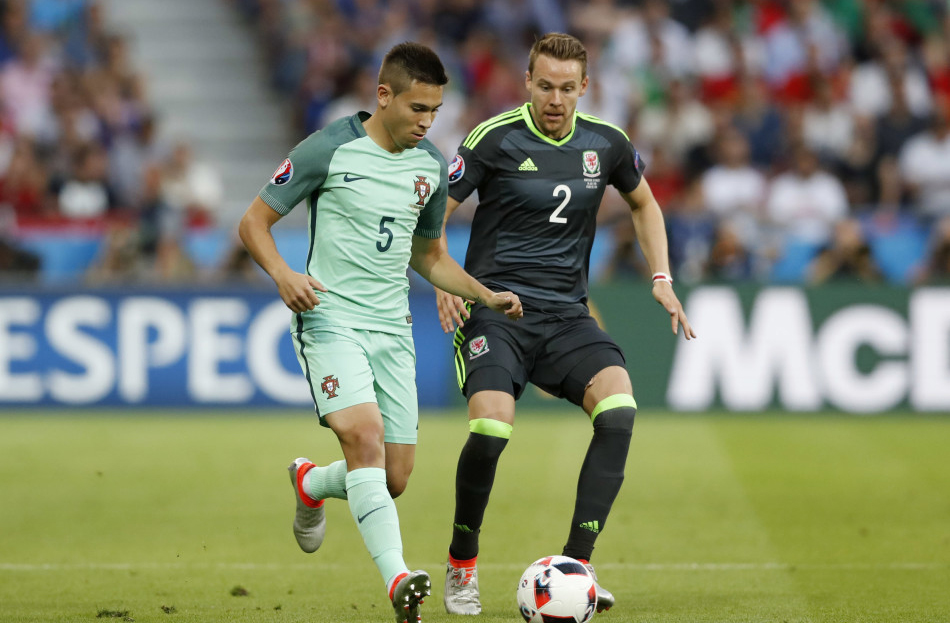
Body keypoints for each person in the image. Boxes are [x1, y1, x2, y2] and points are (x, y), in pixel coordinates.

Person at [238, 42, 523, 623]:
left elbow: (430, 254)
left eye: (435, 111)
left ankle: (312, 483)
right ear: (383, 95)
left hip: (393, 328)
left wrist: (482, 292)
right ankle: (398, 580)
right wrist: (284, 274)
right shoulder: (329, 148)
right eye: (417, 108)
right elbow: (254, 222)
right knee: (363, 439)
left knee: (392, 477)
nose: (425, 121)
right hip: (330, 316)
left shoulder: (431, 166)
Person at [435, 33, 695, 616]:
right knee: (492, 428)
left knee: (620, 408)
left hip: (566, 314)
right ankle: (462, 563)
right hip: (496, 311)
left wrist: (661, 277)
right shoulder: (492, 139)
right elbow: (433, 215)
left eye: (567, 88)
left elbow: (645, 204)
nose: (556, 98)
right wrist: (444, 281)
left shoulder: (607, 144)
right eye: (545, 86)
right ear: (527, 82)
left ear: (585, 88)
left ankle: (578, 564)